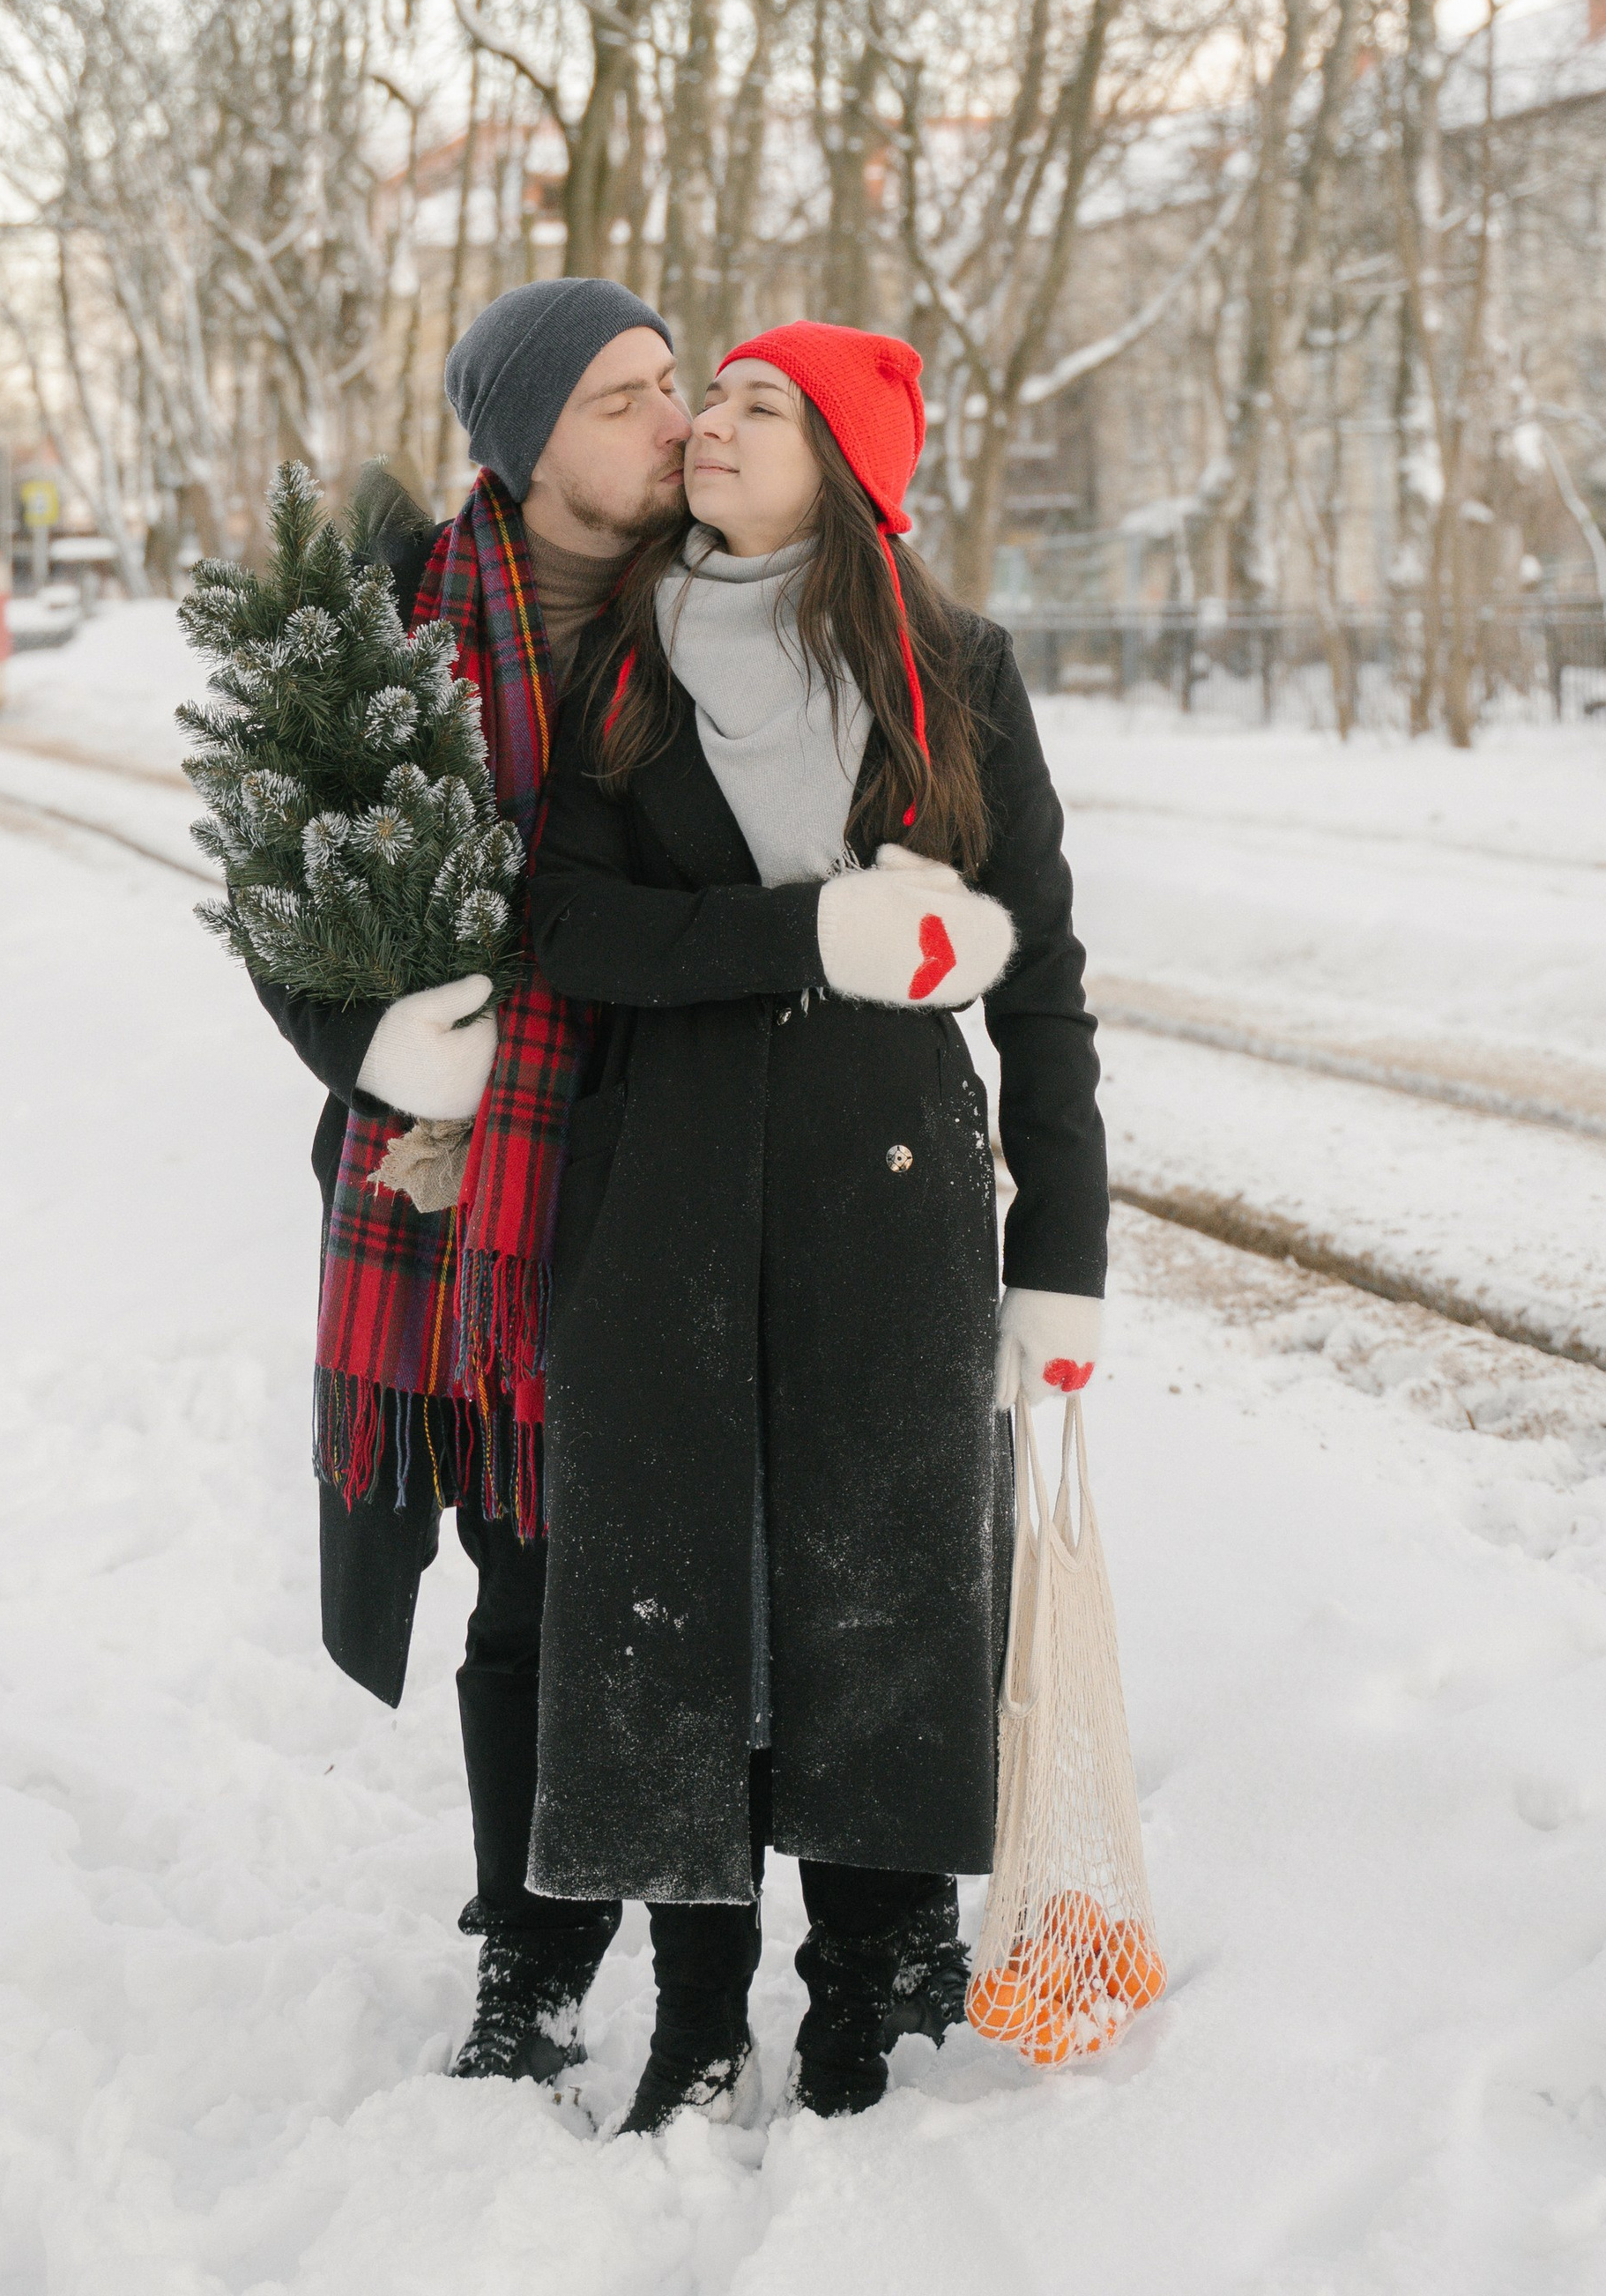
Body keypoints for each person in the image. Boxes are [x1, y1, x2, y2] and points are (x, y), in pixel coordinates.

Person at [524, 321, 1109, 2131]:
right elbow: (567, 923)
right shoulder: (623, 658)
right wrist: (808, 934)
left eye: (755, 403)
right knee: (677, 1597)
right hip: (664, 1190)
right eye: (710, 394)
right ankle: (698, 2013)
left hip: (892, 1191)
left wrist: (1062, 1255)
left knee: (883, 1586)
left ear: (845, 466)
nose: (708, 420)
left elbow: (1041, 977)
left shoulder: (953, 669)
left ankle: (876, 1987)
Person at [246, 275, 688, 2088]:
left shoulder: (721, 601)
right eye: (620, 396)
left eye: (673, 378)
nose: (671, 419)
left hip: (670, 1156)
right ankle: (531, 1956)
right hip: (460, 1191)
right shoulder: (388, 636)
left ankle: (724, 1952)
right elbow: (281, 893)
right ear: (523, 442)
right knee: (525, 1569)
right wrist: (368, 1044)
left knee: (667, 1568)